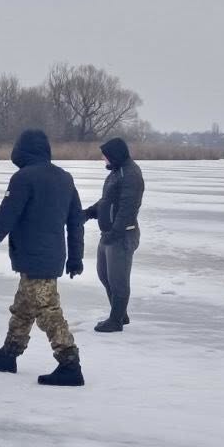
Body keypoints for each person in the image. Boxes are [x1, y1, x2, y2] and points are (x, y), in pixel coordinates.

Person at [0, 129, 86, 387]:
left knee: (48, 312)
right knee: (24, 308)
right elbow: (75, 223)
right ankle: (8, 355)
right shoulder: (65, 178)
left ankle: (70, 364)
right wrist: (75, 258)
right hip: (52, 257)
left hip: (36, 259)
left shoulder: (23, 178)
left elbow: (5, 219)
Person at [82, 137, 145, 332]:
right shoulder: (117, 172)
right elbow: (106, 202)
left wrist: (114, 233)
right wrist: (89, 213)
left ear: (115, 155)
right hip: (110, 234)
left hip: (122, 235)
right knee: (104, 275)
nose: (103, 159)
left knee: (118, 280)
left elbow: (128, 209)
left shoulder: (131, 175)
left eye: (106, 155)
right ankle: (120, 314)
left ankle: (116, 321)